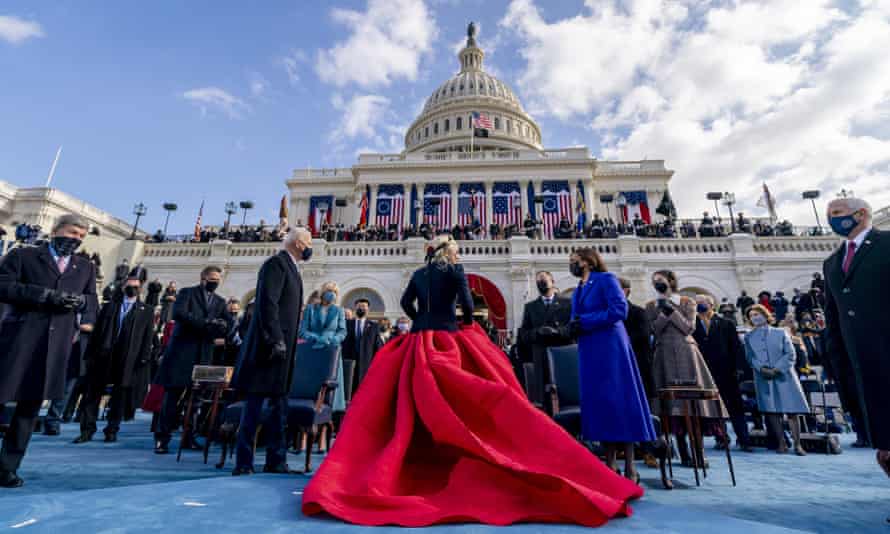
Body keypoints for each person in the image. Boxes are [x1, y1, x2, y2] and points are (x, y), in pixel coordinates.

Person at [302, 234, 643, 527]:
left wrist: (422, 319)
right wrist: (462, 320)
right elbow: (467, 304)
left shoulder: (420, 273)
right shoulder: (456, 271)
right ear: (449, 253)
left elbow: (406, 303)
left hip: (419, 340)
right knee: (487, 389)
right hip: (450, 336)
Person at [0, 214, 97, 488]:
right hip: (19, 339)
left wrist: (81, 305)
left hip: (55, 347)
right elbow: (3, 286)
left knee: (29, 410)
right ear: (56, 230)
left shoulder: (85, 266)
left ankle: (7, 467)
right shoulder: (24, 255)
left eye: (81, 236)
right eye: (72, 232)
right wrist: (43, 295)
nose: (76, 238)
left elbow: (91, 301)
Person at [821, 197, 890, 496]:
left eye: (837, 213)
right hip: (862, 365)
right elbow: (833, 315)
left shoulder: (887, 244)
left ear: (861, 214)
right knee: (885, 448)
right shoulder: (832, 263)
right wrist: (837, 359)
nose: (832, 219)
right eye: (829, 215)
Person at [231, 228, 311, 475]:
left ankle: (276, 460)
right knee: (254, 406)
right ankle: (243, 463)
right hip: (268, 349)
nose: (310, 246)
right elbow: (268, 304)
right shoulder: (275, 264)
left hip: (283, 350)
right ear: (298, 243)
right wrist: (276, 339)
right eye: (308, 242)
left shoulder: (293, 269)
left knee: (279, 407)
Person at [571, 249, 656, 481]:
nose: (572, 264)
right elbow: (575, 317)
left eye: (574, 260)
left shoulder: (606, 279)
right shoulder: (579, 288)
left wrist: (585, 322)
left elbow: (620, 310)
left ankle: (629, 465)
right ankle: (609, 464)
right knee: (601, 404)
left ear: (588, 261)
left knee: (619, 400)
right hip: (589, 348)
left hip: (610, 345)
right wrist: (572, 326)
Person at [647, 270, 727, 468]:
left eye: (660, 280)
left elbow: (689, 328)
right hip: (664, 355)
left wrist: (671, 310)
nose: (657, 283)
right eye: (654, 281)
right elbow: (655, 330)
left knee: (693, 405)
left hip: (687, 354)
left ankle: (699, 453)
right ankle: (683, 453)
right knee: (671, 407)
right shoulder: (651, 305)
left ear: (670, 281)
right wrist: (663, 312)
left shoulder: (686, 301)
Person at [152, 265, 232, 454]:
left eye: (218, 279)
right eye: (212, 278)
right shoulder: (187, 293)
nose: (215, 281)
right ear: (203, 278)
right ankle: (162, 438)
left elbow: (228, 322)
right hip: (182, 353)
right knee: (171, 399)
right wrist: (206, 324)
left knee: (195, 401)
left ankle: (188, 437)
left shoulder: (220, 302)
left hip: (203, 354)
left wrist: (222, 326)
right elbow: (179, 314)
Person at [74, 268, 155, 443]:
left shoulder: (146, 310)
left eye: (135, 286)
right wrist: (90, 355)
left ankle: (111, 430)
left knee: (119, 396)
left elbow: (148, 337)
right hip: (104, 355)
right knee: (92, 394)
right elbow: (96, 333)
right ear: (123, 285)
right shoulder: (110, 306)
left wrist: (143, 358)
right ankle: (86, 430)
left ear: (140, 288)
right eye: (129, 285)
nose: (132, 288)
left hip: (127, 358)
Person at [743, 304, 809, 455]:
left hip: (785, 376)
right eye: (752, 316)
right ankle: (781, 443)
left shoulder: (781, 332)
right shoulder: (748, 337)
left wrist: (777, 369)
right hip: (764, 378)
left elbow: (790, 354)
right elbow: (750, 358)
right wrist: (762, 369)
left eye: (757, 314)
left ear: (765, 315)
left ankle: (798, 444)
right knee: (772, 412)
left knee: (792, 411)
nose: (755, 317)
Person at [693, 295, 752, 452]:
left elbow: (736, 347)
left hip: (727, 372)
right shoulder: (693, 325)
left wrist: (739, 369)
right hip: (705, 372)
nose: (699, 305)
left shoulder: (726, 323)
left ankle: (744, 439)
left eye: (701, 302)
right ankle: (721, 438)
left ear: (711, 304)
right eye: (696, 303)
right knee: (713, 408)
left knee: (735, 407)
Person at [517, 271, 573, 409]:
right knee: (542, 394)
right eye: (538, 282)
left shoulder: (567, 303)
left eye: (544, 280)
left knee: (565, 390)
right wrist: (537, 332)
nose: (541, 284)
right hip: (540, 354)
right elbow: (524, 334)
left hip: (562, 352)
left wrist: (558, 332)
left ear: (552, 282)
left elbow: (573, 327)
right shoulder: (530, 307)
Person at [300, 281, 347, 414]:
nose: (331, 294)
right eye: (329, 290)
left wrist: (332, 340)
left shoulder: (339, 311)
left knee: (329, 385)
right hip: (312, 351)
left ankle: (330, 415)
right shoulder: (311, 309)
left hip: (331, 351)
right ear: (323, 292)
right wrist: (316, 338)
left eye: (334, 292)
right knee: (312, 387)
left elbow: (342, 332)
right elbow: (303, 331)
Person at [618, 277, 655, 400]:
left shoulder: (639, 312)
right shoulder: (606, 314)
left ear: (625, 291)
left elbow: (643, 336)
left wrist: (617, 342)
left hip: (636, 366)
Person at [342, 297, 383, 395]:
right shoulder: (347, 324)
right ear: (355, 308)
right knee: (348, 388)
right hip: (349, 360)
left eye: (364, 306)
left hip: (366, 362)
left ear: (368, 309)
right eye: (359, 306)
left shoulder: (374, 326)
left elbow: (378, 346)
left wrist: (378, 363)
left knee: (363, 390)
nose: (361, 308)